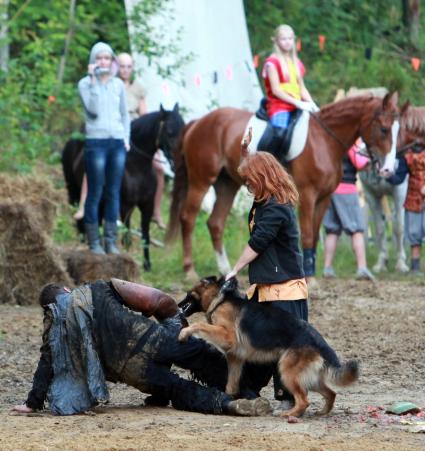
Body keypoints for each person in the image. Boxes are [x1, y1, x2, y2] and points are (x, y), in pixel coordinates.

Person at [12, 280, 271, 417]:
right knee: (200, 355)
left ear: (49, 311)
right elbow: (155, 300)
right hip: (151, 339)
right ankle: (246, 391)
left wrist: (32, 403)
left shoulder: (55, 332)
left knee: (176, 389)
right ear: (67, 290)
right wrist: (175, 325)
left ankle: (226, 405)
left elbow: (45, 366)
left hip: (134, 372)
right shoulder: (97, 288)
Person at [225, 150, 308, 407]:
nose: (246, 185)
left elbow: (258, 242)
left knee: (285, 348)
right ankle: (247, 391)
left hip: (284, 292)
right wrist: (245, 153)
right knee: (259, 345)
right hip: (267, 289)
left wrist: (235, 268)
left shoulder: (276, 208)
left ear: (262, 177)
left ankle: (289, 400)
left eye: (250, 179)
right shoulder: (266, 201)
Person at [78, 42, 130, 255]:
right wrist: (93, 81)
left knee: (113, 191)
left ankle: (110, 241)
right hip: (96, 143)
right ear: (93, 60)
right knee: (95, 191)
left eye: (107, 58)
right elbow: (93, 110)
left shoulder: (118, 84)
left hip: (117, 142)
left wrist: (126, 138)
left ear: (112, 61)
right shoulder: (84, 84)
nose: (103, 61)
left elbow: (125, 114)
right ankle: (94, 242)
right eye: (99, 58)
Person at [118, 52, 167, 230]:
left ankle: (155, 211)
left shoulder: (138, 87)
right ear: (117, 67)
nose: (125, 70)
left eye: (128, 66)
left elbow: (143, 115)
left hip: (136, 134)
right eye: (122, 66)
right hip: (119, 132)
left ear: (132, 68)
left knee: (159, 169)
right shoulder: (114, 85)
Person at [322, 140, 375, 281]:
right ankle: (362, 268)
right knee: (357, 229)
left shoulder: (330, 141)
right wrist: (370, 159)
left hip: (330, 189)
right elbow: (360, 163)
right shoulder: (349, 141)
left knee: (332, 229)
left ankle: (327, 268)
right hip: (346, 188)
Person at [262, 24, 318, 132]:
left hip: (299, 105)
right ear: (276, 41)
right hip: (280, 106)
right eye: (283, 39)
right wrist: (298, 103)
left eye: (290, 38)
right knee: (279, 132)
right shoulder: (272, 62)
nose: (287, 42)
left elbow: (302, 89)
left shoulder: (297, 63)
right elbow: (276, 90)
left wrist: (312, 104)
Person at [387, 147, 425, 274]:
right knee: (414, 233)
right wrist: (387, 174)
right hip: (414, 198)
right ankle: (415, 267)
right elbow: (399, 178)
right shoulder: (407, 155)